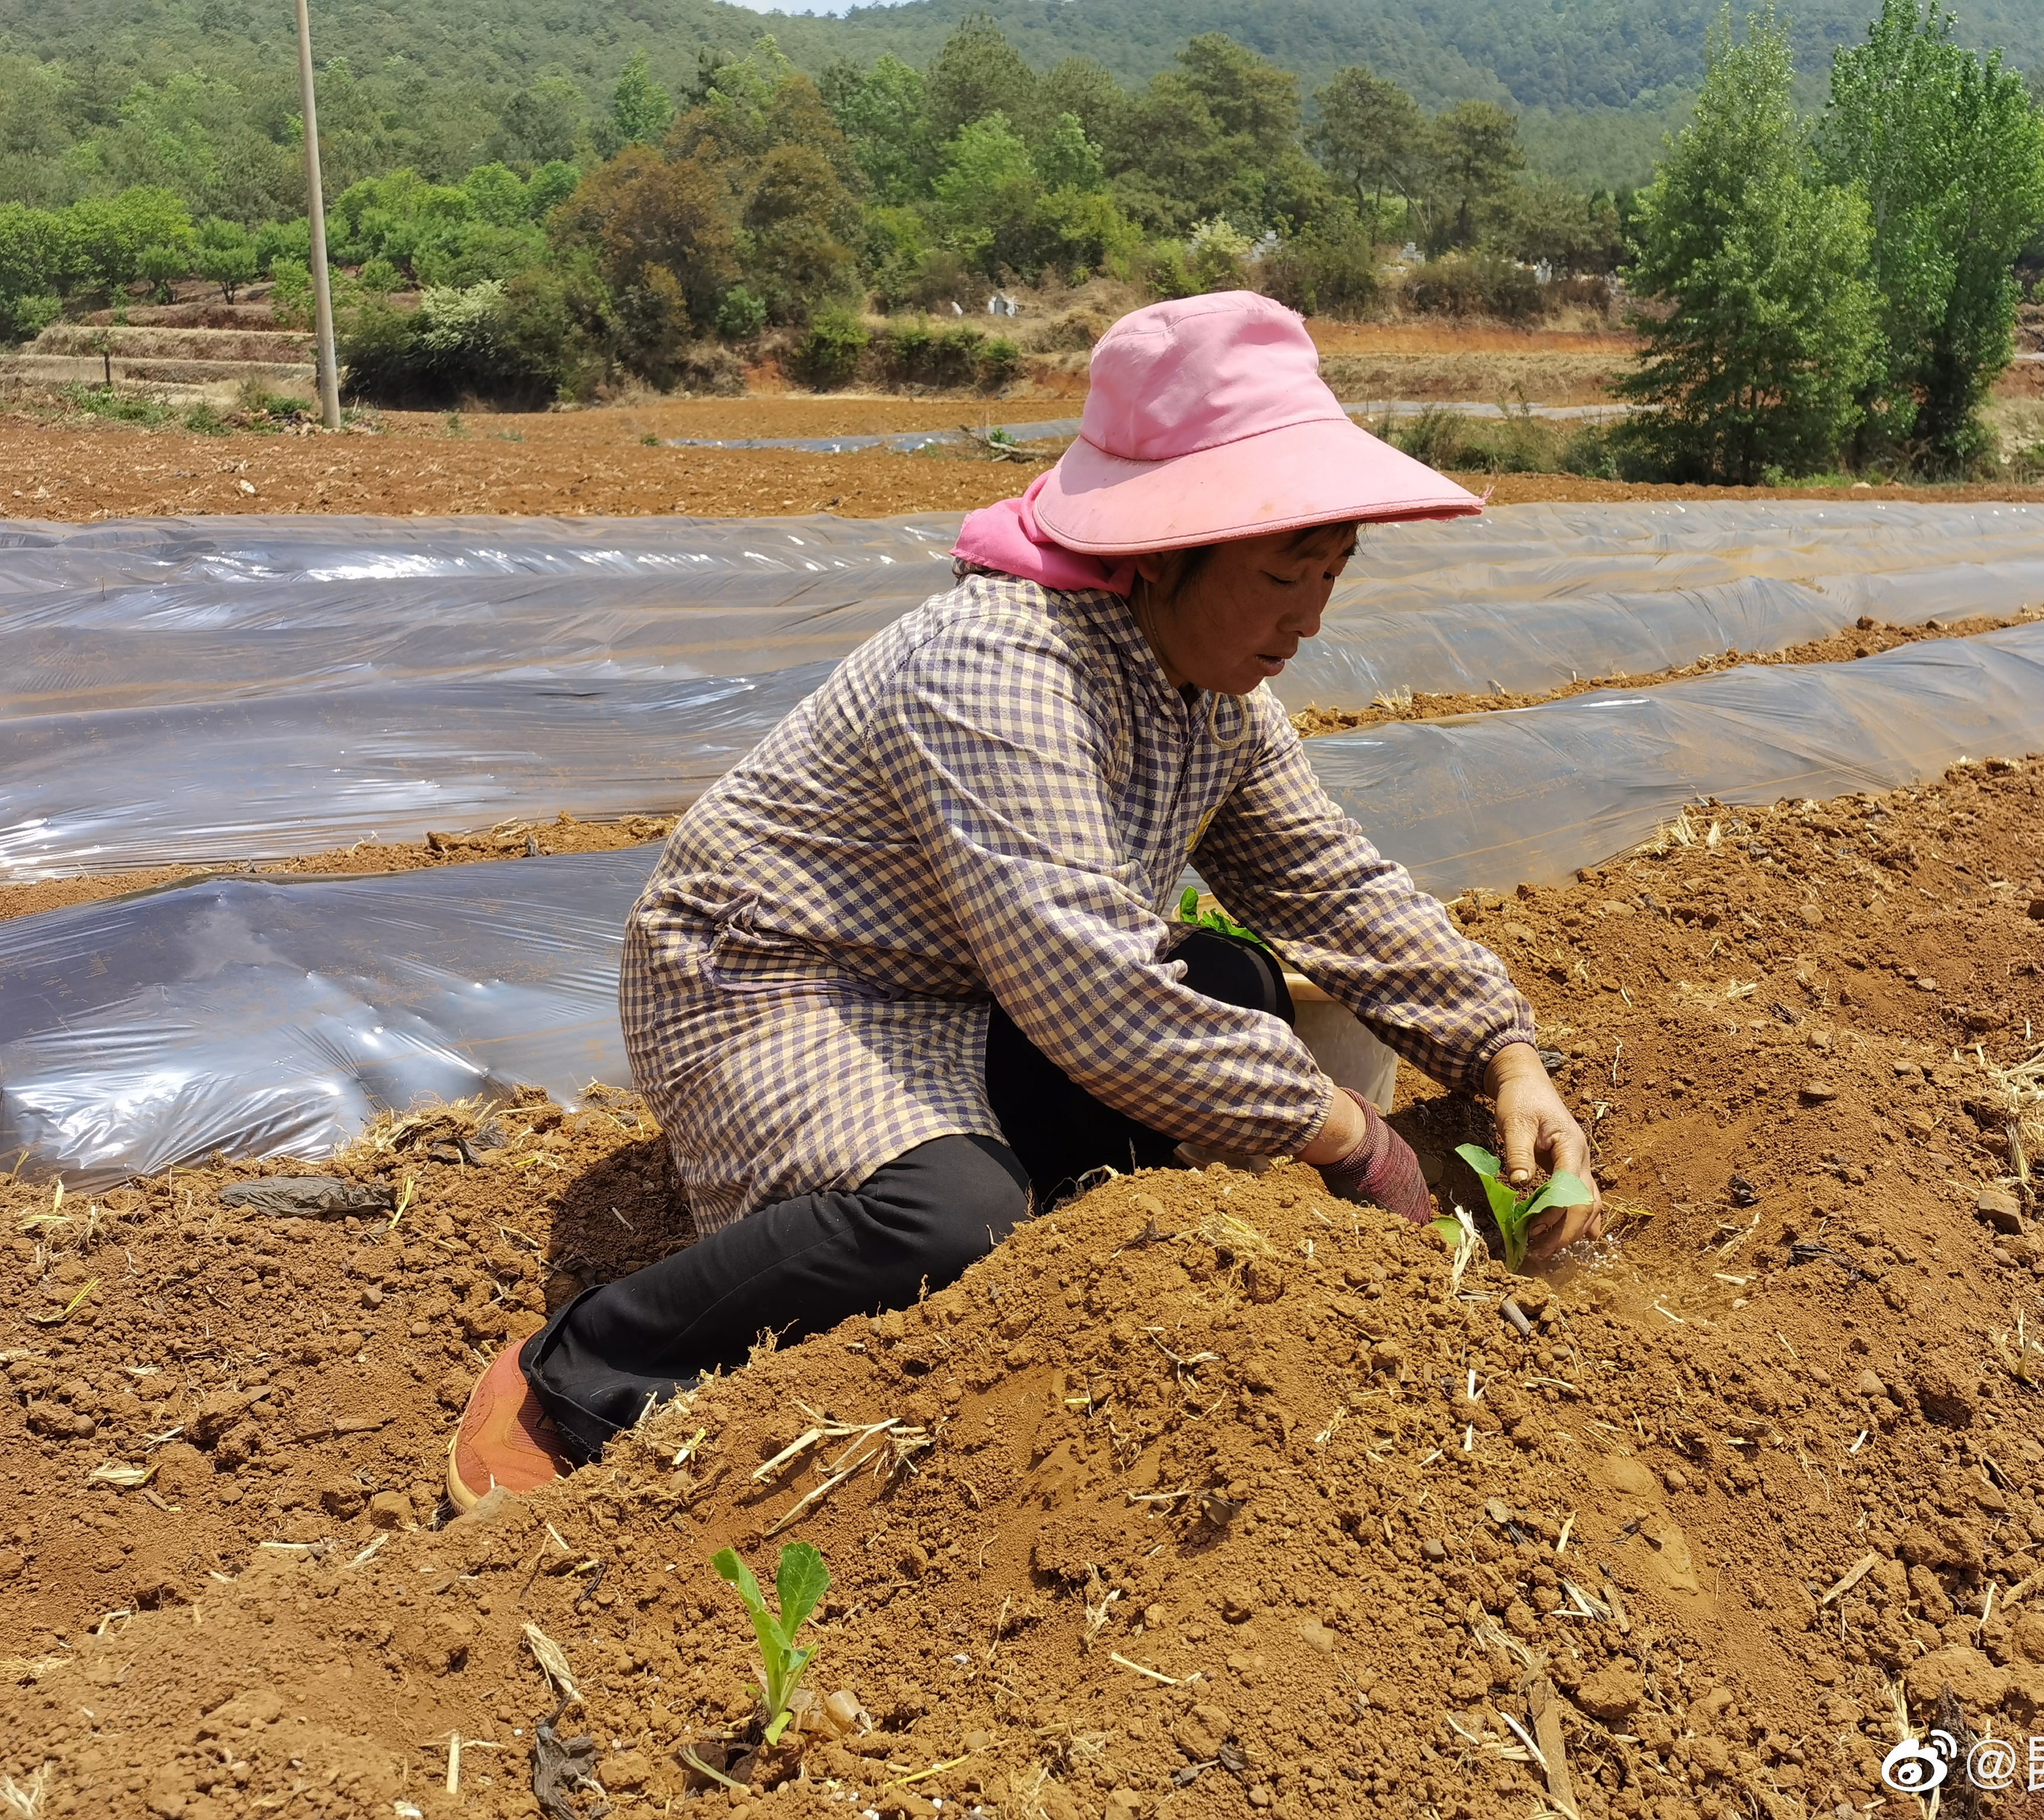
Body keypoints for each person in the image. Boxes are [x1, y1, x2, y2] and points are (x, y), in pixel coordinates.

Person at [446, 291, 1603, 1511]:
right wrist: (1352, 1139)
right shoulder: (1000, 667)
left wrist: (1504, 1054)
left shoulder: (1214, 694)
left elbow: (1330, 881)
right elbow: (1097, 988)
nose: (1308, 617)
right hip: (779, 979)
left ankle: (1014, 1212)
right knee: (946, 1221)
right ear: (1163, 547)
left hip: (967, 982)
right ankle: (581, 1371)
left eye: (1331, 571)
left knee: (1232, 985)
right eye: (1280, 572)